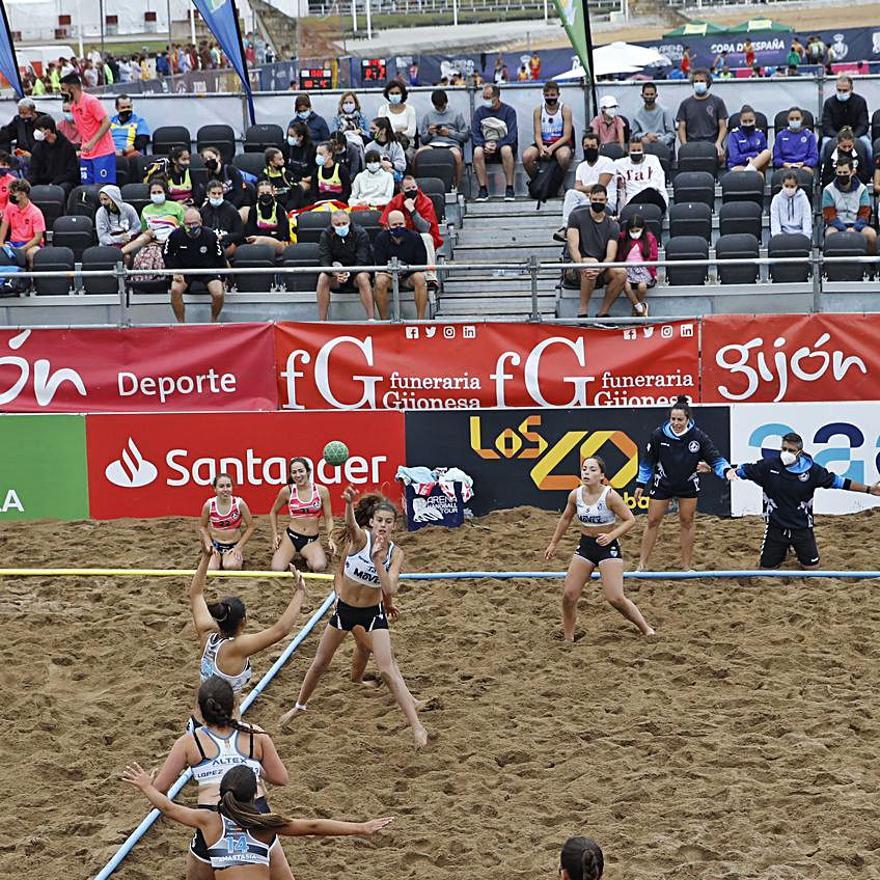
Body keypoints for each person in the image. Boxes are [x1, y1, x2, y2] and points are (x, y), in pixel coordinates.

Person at [279, 488, 429, 748]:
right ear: (371, 521)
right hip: (344, 610)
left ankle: (417, 727)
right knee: (320, 663)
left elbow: (390, 587)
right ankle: (299, 707)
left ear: (395, 525)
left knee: (387, 669)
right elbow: (349, 525)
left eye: (388, 522)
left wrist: (378, 562)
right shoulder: (360, 539)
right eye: (379, 520)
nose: (383, 525)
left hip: (372, 613)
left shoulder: (395, 553)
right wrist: (348, 504)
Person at [124, 763, 392, 878]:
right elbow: (314, 826)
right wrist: (360, 827)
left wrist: (147, 786)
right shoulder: (265, 826)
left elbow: (168, 808)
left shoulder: (208, 822)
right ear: (254, 795)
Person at [152, 676, 297, 880]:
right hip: (254, 816)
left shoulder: (189, 742)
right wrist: (252, 765)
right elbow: (281, 778)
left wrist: (150, 783)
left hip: (213, 824)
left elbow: (159, 789)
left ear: (200, 712)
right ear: (235, 704)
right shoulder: (256, 735)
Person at [729, 432, 880, 569]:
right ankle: (782, 550)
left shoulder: (813, 471)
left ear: (799, 452)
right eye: (784, 449)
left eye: (791, 450)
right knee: (766, 570)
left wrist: (869, 490)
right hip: (776, 528)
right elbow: (737, 470)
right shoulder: (768, 466)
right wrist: (712, 467)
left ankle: (793, 550)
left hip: (802, 528)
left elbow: (840, 482)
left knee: (812, 569)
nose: (786, 453)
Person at [545, 456, 654, 640]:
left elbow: (630, 520)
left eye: (592, 469)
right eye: (584, 469)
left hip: (607, 547)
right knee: (569, 596)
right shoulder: (575, 495)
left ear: (602, 475)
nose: (587, 472)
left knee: (615, 598)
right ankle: (568, 637)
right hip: (586, 546)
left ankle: (646, 628)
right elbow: (565, 519)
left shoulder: (610, 496)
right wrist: (554, 543)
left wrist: (611, 535)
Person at [189, 545, 306, 701]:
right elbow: (281, 630)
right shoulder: (237, 647)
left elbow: (196, 594)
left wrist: (206, 556)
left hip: (199, 716)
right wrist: (300, 591)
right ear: (243, 622)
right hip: (223, 722)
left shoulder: (206, 634)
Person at [634, 396, 733, 572]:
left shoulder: (698, 437)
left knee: (687, 521)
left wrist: (726, 471)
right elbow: (647, 461)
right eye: (673, 419)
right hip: (663, 483)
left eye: (680, 419)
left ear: (688, 419)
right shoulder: (658, 435)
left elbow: (715, 458)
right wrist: (641, 483)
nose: (676, 423)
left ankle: (686, 566)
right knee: (652, 521)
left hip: (687, 484)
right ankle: (642, 564)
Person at [565, 184, 624, 318]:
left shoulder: (613, 225)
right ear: (589, 198)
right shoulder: (576, 216)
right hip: (576, 266)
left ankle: (603, 313)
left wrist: (599, 269)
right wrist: (582, 266)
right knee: (590, 263)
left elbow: (610, 256)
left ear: (606, 201)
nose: (597, 202)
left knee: (621, 273)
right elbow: (573, 247)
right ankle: (583, 312)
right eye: (595, 200)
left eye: (601, 200)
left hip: (599, 268)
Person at [269, 457, 336, 573]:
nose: (298, 475)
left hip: (311, 539)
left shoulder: (322, 491)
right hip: (291, 537)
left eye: (301, 471)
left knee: (318, 566)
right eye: (294, 472)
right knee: (277, 569)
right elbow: (273, 512)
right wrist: (275, 535)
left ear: (308, 472)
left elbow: (329, 517)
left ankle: (308, 556)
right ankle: (292, 553)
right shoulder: (287, 491)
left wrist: (331, 538)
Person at [163, 207, 228, 322]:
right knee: (175, 290)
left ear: (201, 222)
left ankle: (214, 320)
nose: (192, 227)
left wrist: (223, 278)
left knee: (218, 293)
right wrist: (174, 271)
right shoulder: (175, 235)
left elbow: (220, 256)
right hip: (184, 271)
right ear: (183, 224)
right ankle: (181, 323)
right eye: (188, 224)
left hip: (207, 270)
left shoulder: (210, 235)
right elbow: (166, 254)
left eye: (194, 223)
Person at [316, 209, 374, 321]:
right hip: (336, 275)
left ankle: (371, 318)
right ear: (331, 225)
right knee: (323, 277)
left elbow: (363, 259)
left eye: (344, 223)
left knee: (363, 277)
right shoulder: (326, 235)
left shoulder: (361, 233)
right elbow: (324, 259)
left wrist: (349, 272)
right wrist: (335, 273)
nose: (341, 226)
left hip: (356, 273)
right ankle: (322, 321)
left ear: (350, 222)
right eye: (337, 224)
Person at [557, 131, 616, 238]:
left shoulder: (607, 162)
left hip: (604, 201)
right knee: (570, 193)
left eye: (593, 146)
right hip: (586, 198)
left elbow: (599, 188)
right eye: (586, 146)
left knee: (581, 206)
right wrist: (587, 190)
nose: (589, 149)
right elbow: (576, 187)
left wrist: (585, 189)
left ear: (598, 147)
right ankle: (566, 228)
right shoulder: (581, 166)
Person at [60, 72, 116, 184]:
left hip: (102, 153)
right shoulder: (73, 106)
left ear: (72, 89)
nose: (61, 93)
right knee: (87, 189)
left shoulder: (91, 101)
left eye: (63, 89)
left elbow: (107, 123)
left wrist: (92, 142)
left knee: (102, 189)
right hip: (86, 154)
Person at [373, 209, 429, 320]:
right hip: (389, 276)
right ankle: (385, 321)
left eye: (401, 224)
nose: (398, 227)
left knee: (420, 278)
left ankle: (420, 320)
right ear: (388, 226)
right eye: (394, 225)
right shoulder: (381, 238)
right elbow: (379, 263)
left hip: (409, 276)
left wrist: (404, 272)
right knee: (379, 281)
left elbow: (421, 263)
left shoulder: (415, 237)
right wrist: (392, 273)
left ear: (405, 223)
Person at [198, 474, 255, 571]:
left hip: (233, 546)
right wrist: (210, 544)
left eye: (228, 486)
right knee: (211, 569)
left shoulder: (239, 503)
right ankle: (217, 558)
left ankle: (231, 558)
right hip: (215, 545)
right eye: (221, 486)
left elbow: (251, 526)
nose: (225, 489)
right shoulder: (209, 505)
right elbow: (202, 527)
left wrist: (239, 546)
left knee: (231, 567)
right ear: (215, 489)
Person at [472, 83, 518, 202]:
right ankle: (483, 189)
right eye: (484, 97)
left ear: (497, 97)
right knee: (477, 151)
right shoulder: (479, 112)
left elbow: (512, 136)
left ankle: (509, 188)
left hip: (503, 146)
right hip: (485, 147)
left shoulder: (509, 111)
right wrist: (484, 144)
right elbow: (475, 134)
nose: (485, 100)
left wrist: (497, 145)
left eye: (488, 97)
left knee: (506, 150)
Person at [417, 88, 469, 189]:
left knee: (457, 156)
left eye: (442, 106)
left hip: (451, 144)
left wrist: (449, 133)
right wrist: (429, 133)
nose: (440, 109)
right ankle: (418, 184)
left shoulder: (456, 115)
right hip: (433, 144)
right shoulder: (428, 116)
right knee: (418, 153)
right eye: (437, 107)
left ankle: (456, 186)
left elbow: (464, 136)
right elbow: (423, 140)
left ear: (446, 102)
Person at [523, 80, 573, 181]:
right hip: (544, 142)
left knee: (564, 157)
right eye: (547, 95)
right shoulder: (538, 110)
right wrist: (541, 148)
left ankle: (558, 182)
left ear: (558, 95)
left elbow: (567, 135)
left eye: (552, 95)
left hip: (560, 143)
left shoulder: (565, 110)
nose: (550, 98)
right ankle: (537, 181)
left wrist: (551, 148)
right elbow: (537, 134)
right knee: (527, 156)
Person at [822, 156, 874, 252]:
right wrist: (843, 228)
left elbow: (865, 214)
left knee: (871, 235)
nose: (842, 175)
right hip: (836, 225)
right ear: (836, 172)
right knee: (830, 235)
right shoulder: (828, 190)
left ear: (852, 172)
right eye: (839, 172)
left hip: (857, 224)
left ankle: (871, 265)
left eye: (845, 173)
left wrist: (855, 228)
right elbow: (829, 216)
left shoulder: (862, 189)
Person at [676, 70, 728, 162]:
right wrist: (685, 146)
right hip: (691, 144)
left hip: (712, 144)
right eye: (696, 81)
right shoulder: (685, 104)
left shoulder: (718, 102)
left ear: (708, 83)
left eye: (701, 81)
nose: (698, 83)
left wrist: (718, 143)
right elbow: (681, 128)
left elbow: (723, 126)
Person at [128, 177, 187, 252]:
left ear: (165, 193)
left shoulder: (176, 207)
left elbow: (183, 227)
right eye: (154, 193)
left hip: (174, 242)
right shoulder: (146, 210)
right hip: (153, 243)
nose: (157, 194)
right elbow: (145, 230)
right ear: (150, 194)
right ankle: (120, 253)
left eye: (159, 192)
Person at [821, 75, 870, 160]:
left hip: (856, 135)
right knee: (824, 144)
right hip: (834, 135)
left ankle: (871, 172)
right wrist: (839, 138)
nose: (842, 92)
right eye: (839, 90)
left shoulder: (860, 101)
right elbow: (826, 126)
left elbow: (864, 124)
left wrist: (852, 137)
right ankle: (822, 171)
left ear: (851, 89)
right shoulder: (829, 103)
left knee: (867, 144)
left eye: (845, 90)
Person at [614, 136, 668, 215]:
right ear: (628, 151)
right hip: (632, 200)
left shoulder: (653, 160)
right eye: (633, 150)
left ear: (643, 150)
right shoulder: (620, 163)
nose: (636, 152)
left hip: (654, 199)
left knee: (649, 191)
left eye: (639, 150)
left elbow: (658, 184)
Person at [27, 115, 80, 194]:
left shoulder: (67, 147)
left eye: (39, 130)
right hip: (43, 181)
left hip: (62, 182)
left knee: (63, 189)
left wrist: (54, 183)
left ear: (48, 130)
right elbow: (33, 170)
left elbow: (72, 172)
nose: (36, 132)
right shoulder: (38, 148)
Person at [616, 214, 656, 317]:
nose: (635, 234)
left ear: (642, 229)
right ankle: (639, 307)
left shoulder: (650, 238)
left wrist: (653, 273)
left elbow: (653, 257)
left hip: (643, 269)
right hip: (627, 269)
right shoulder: (623, 237)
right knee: (625, 285)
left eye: (637, 231)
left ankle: (636, 310)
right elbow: (619, 254)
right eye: (632, 231)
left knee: (642, 286)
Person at [0, 178, 44, 268]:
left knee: (32, 254)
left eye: (13, 192)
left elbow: (38, 238)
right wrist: (0, 243)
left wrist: (22, 249)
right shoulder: (10, 207)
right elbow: (4, 226)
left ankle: (32, 280)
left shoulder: (36, 212)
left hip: (31, 244)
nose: (10, 195)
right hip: (13, 243)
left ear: (22, 194)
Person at [202, 179, 246, 260]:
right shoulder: (203, 211)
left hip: (228, 244)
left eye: (219, 193)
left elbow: (240, 234)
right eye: (214, 193)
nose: (217, 196)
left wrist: (223, 237)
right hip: (208, 245)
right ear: (208, 194)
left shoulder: (231, 210)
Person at [244, 179, 290, 254]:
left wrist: (263, 236)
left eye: (268, 193)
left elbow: (282, 233)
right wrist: (271, 233)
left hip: (277, 243)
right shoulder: (253, 210)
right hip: (258, 241)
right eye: (262, 193)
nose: (265, 195)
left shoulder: (279, 209)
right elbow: (250, 232)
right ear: (258, 194)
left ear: (273, 193)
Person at [96, 184, 141, 259]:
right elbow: (102, 237)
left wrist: (128, 235)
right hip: (110, 242)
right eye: (101, 200)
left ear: (114, 198)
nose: (103, 203)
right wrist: (119, 239)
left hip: (128, 240)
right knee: (125, 257)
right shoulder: (100, 213)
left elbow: (137, 227)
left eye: (105, 199)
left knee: (128, 257)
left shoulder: (129, 208)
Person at [725, 104, 772, 176]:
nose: (748, 124)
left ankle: (750, 171)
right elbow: (734, 158)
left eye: (750, 121)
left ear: (755, 120)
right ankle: (750, 171)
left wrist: (754, 161)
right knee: (758, 175)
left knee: (767, 153)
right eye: (745, 121)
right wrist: (751, 156)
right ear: (740, 121)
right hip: (737, 167)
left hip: (757, 166)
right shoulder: (733, 135)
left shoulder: (760, 134)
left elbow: (763, 156)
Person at [196, 145, 247, 210]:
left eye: (210, 157)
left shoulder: (231, 170)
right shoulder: (208, 176)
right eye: (205, 160)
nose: (208, 160)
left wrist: (231, 208)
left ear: (218, 157)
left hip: (236, 205)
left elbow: (240, 193)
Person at [377, 79, 418, 160]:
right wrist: (401, 130)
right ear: (387, 94)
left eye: (397, 93)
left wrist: (392, 131)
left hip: (407, 146)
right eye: (392, 93)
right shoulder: (383, 109)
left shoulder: (410, 109)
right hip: (387, 146)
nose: (394, 95)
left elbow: (412, 133)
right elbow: (380, 132)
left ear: (402, 94)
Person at [772, 107, 819, 173]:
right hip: (785, 166)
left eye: (797, 119)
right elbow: (776, 159)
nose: (794, 120)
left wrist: (804, 163)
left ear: (802, 119)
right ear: (787, 120)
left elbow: (814, 158)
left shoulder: (809, 135)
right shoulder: (780, 135)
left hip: (803, 166)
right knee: (779, 174)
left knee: (808, 171)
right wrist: (784, 164)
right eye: (791, 119)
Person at [632, 82, 676, 150]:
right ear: (642, 95)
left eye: (651, 94)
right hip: (644, 147)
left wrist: (659, 140)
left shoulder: (665, 111)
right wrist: (645, 136)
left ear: (656, 95)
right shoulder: (637, 114)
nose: (649, 97)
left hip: (662, 147)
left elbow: (672, 134)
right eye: (647, 94)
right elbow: (634, 134)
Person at [283, 120, 317, 207]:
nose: (289, 138)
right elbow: (283, 167)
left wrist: (305, 179)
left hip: (306, 181)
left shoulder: (311, 149)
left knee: (297, 190)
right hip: (289, 179)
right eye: (288, 135)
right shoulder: (286, 147)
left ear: (300, 137)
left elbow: (315, 171)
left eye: (291, 136)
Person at [769, 171, 813, 238]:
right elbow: (774, 220)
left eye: (792, 186)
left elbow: (807, 218)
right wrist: (776, 237)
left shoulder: (803, 198)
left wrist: (806, 236)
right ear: (782, 184)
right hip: (782, 235)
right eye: (786, 186)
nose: (789, 189)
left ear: (797, 186)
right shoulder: (776, 199)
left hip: (800, 234)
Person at [309, 141, 352, 205]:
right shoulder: (316, 171)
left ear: (330, 154)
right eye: (317, 154)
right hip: (321, 204)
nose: (318, 156)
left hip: (338, 204)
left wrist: (337, 202)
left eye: (320, 154)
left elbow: (347, 192)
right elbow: (313, 192)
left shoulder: (342, 170)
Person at [368, 117, 406, 184]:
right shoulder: (369, 147)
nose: (371, 131)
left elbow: (402, 165)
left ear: (383, 130)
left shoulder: (396, 146)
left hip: (393, 180)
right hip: (375, 180)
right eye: (370, 128)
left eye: (374, 129)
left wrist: (391, 164)